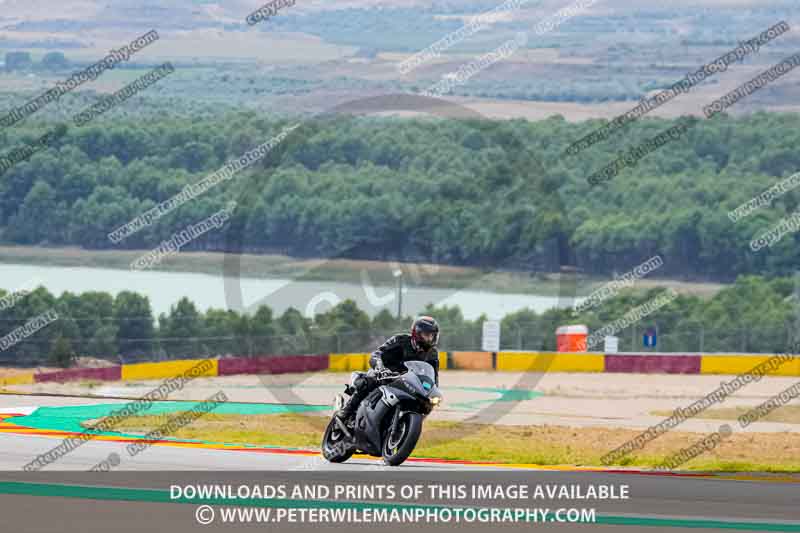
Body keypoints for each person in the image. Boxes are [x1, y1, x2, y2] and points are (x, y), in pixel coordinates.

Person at [336, 315, 440, 424]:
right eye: (426, 335)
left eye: (432, 335)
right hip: (385, 374)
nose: (429, 339)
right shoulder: (400, 340)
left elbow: (433, 375)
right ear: (417, 333)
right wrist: (380, 367)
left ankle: (411, 424)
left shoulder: (432, 353)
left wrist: (433, 391)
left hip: (408, 382)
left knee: (428, 403)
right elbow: (377, 354)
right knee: (367, 382)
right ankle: (345, 412)